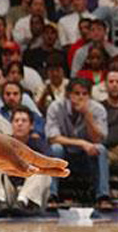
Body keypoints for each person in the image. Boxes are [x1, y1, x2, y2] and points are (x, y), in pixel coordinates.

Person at [45, 78, 111, 208]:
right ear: (68, 95)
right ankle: (51, 196)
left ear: (89, 95)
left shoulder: (98, 109)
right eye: (76, 93)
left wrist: (87, 116)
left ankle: (103, 197)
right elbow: (53, 138)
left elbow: (98, 139)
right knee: (56, 148)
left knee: (101, 149)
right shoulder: (56, 107)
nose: (81, 98)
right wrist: (81, 143)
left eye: (84, 94)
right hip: (65, 154)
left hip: (86, 156)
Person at [0, 108, 54, 215]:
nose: (20, 124)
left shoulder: (40, 145)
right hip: (6, 193)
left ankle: (23, 202)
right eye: (16, 121)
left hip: (31, 194)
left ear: (31, 126)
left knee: (43, 172)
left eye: (24, 121)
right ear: (11, 125)